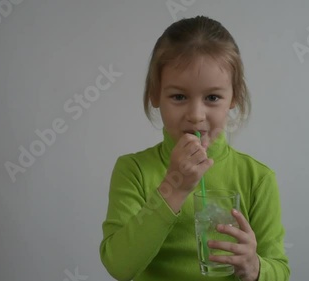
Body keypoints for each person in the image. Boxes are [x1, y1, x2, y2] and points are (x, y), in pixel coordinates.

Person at [99, 15, 290, 281]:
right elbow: (119, 266)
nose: (196, 114)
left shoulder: (257, 178)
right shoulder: (134, 170)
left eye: (212, 97)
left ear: (233, 97)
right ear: (155, 94)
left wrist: (255, 268)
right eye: (179, 96)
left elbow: (280, 270)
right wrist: (173, 188)